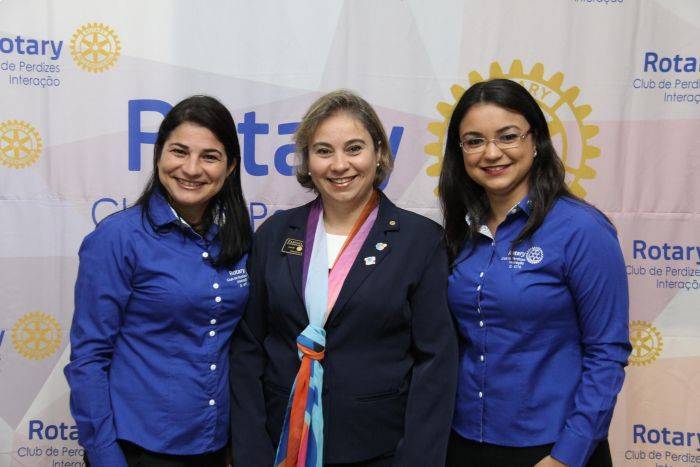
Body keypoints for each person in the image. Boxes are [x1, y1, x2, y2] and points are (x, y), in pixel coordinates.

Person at [230, 90, 457, 467]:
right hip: (279, 446)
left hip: (378, 450)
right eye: (323, 151)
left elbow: (436, 364)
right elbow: (247, 348)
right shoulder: (275, 234)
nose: (339, 165)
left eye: (354, 148)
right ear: (307, 161)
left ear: (379, 153)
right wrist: (251, 451)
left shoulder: (420, 241)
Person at [438, 78, 631, 467]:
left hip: (553, 447)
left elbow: (607, 351)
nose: (491, 153)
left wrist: (568, 455)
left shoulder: (581, 229)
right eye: (474, 141)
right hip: (464, 439)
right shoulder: (460, 230)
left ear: (536, 140)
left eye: (508, 136)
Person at [64, 95, 252, 467]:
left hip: (214, 443)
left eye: (210, 156)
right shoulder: (118, 237)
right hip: (138, 448)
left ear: (230, 167)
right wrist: (104, 455)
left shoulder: (237, 239)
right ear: (159, 155)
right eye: (179, 151)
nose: (192, 169)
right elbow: (89, 358)